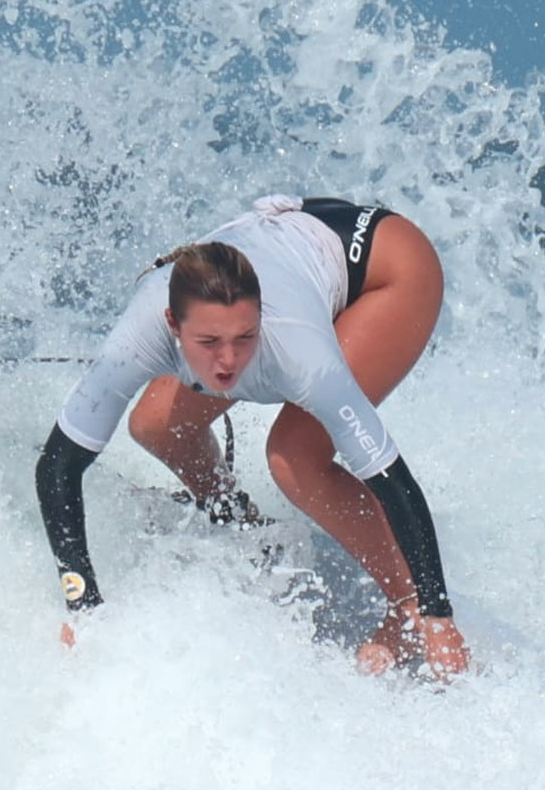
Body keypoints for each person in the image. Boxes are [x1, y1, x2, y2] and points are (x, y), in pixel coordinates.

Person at [34, 194, 470, 678]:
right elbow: (58, 465)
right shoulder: (136, 338)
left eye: (245, 339)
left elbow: (393, 479)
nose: (227, 363)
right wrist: (84, 606)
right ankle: (238, 522)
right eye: (208, 343)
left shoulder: (299, 350)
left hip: (387, 270)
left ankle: (406, 604)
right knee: (156, 425)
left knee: (293, 454)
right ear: (173, 326)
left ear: (260, 318)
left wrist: (438, 614)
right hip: (297, 240)